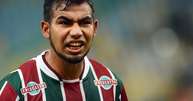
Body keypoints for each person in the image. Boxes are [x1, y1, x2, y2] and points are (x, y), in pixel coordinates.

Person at [0, 0, 128, 101]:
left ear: (94, 28)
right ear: (46, 29)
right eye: (65, 22)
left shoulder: (112, 85)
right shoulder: (14, 89)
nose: (76, 32)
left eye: (85, 22)